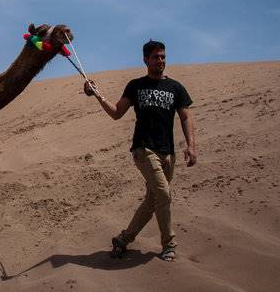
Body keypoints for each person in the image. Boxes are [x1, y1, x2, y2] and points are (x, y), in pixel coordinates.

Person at [84, 40, 196, 262]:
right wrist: (97, 94)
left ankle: (123, 239)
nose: (161, 61)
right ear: (146, 60)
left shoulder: (176, 87)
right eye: (156, 57)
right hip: (143, 150)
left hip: (168, 153)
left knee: (153, 201)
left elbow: (185, 116)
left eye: (163, 56)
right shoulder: (136, 85)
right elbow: (116, 112)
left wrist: (191, 145)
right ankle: (169, 244)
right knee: (164, 194)